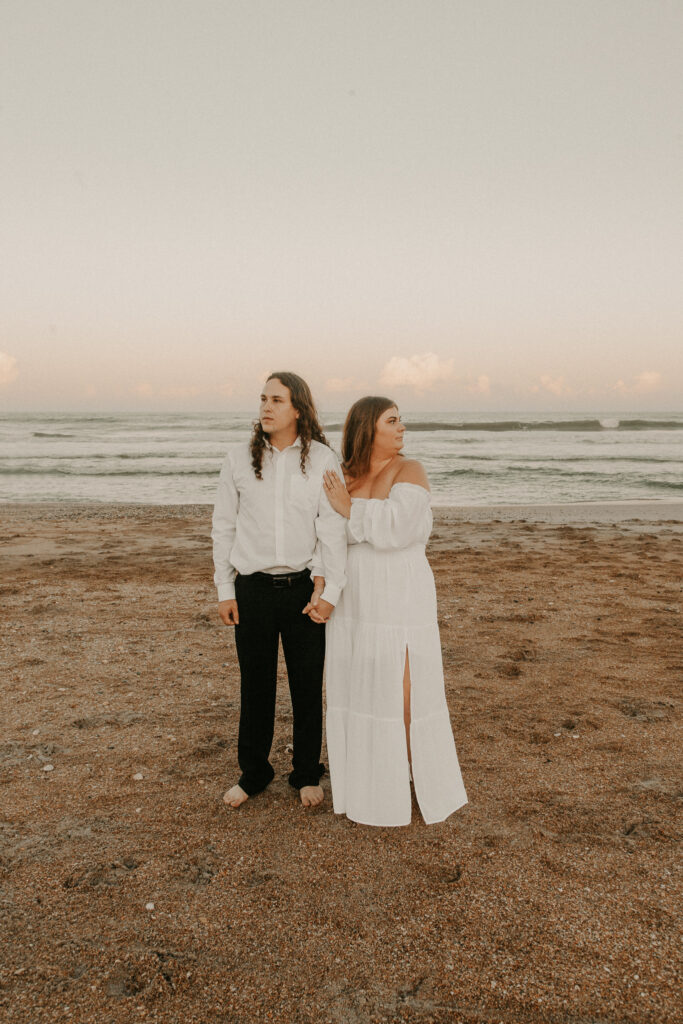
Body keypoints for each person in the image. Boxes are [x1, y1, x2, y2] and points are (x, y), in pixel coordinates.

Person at [321, 396, 468, 826]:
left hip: (401, 593)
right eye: (392, 420)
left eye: (401, 419)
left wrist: (350, 510)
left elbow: (399, 527)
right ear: (368, 427)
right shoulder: (342, 476)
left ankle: (409, 773)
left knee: (404, 689)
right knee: (359, 683)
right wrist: (323, 584)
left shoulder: (411, 470)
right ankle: (369, 781)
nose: (402, 427)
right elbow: (325, 535)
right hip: (355, 597)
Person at [212, 372, 346, 809]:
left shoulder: (324, 458)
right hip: (251, 589)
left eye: (276, 400)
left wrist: (327, 587)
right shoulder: (237, 459)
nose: (266, 407)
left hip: (302, 589)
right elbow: (223, 527)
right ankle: (254, 773)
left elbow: (331, 527)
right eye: (263, 399)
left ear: (298, 409)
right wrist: (224, 589)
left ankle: (307, 773)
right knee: (256, 687)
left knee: (307, 686)